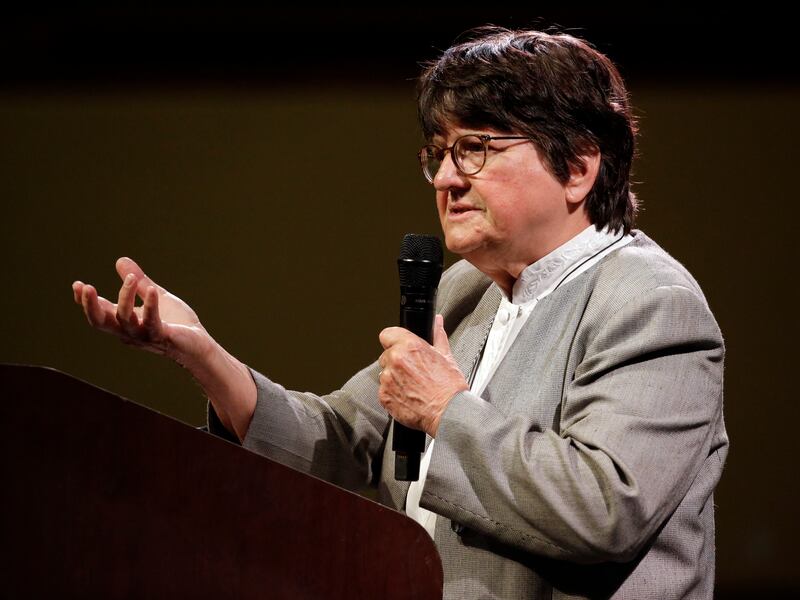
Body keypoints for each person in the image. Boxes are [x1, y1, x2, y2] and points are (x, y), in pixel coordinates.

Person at [72, 27, 728, 599]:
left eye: (476, 148)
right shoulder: (465, 291)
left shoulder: (650, 304)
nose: (446, 178)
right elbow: (339, 441)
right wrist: (201, 353)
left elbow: (605, 508)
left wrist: (447, 411)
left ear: (579, 167)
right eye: (440, 153)